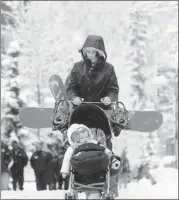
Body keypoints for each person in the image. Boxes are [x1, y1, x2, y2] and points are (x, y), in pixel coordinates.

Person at [60, 124, 120, 199]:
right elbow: (66, 159)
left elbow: (103, 147)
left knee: (94, 192)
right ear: (75, 139)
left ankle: (94, 194)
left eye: (87, 136)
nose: (85, 139)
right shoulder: (73, 147)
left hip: (96, 171)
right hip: (80, 171)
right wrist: (64, 171)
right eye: (82, 138)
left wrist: (108, 153)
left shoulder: (94, 142)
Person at [66, 35, 119, 109]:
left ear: (100, 52)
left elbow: (113, 89)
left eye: (94, 52)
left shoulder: (109, 69)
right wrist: (74, 98)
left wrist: (109, 98)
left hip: (102, 111)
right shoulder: (77, 67)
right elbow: (70, 87)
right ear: (84, 52)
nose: (91, 55)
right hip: (79, 110)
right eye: (88, 51)